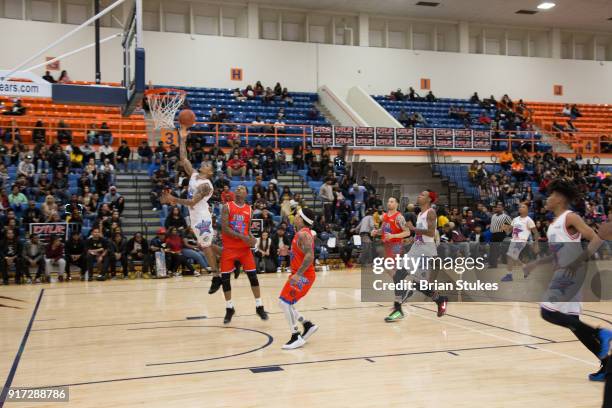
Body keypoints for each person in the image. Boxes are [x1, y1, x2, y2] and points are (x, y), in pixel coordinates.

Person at [161, 125, 219, 292]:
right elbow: (184, 157)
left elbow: (193, 202)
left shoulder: (206, 186)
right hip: (194, 218)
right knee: (204, 245)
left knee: (206, 247)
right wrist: (183, 138)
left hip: (202, 217)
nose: (205, 162)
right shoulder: (194, 175)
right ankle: (235, 259)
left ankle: (216, 276)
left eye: (208, 164)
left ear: (210, 173)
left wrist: (174, 199)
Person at [219, 185, 269, 324]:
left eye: (242, 188)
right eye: (237, 188)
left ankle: (259, 306)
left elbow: (247, 230)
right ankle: (229, 308)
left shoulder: (249, 209)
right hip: (229, 248)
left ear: (246, 193)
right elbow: (225, 228)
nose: (238, 190)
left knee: (253, 277)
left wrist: (253, 238)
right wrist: (242, 236)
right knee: (225, 279)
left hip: (244, 249)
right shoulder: (227, 206)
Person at [278, 208, 319, 349]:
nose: (294, 217)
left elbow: (310, 256)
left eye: (297, 215)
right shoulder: (300, 234)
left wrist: (299, 274)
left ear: (301, 219)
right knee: (284, 303)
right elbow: (302, 253)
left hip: (304, 276)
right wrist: (288, 252)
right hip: (300, 274)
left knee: (284, 303)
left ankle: (296, 336)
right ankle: (307, 325)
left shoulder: (304, 234)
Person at [371, 196, 414, 322]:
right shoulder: (385, 217)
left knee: (392, 270)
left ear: (397, 204)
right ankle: (404, 290)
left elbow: (407, 232)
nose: (389, 203)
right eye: (388, 201)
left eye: (392, 201)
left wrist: (393, 235)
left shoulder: (399, 217)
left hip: (395, 246)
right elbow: (384, 231)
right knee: (390, 270)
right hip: (387, 245)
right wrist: (376, 232)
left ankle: (401, 297)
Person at [500, 202, 538, 282]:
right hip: (514, 240)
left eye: (523, 207)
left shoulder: (529, 220)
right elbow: (509, 230)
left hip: (521, 241)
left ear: (527, 210)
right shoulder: (515, 219)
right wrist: (505, 227)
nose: (520, 208)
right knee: (512, 256)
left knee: (510, 255)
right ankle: (524, 267)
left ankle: (509, 275)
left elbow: (536, 233)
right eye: (520, 207)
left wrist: (536, 243)